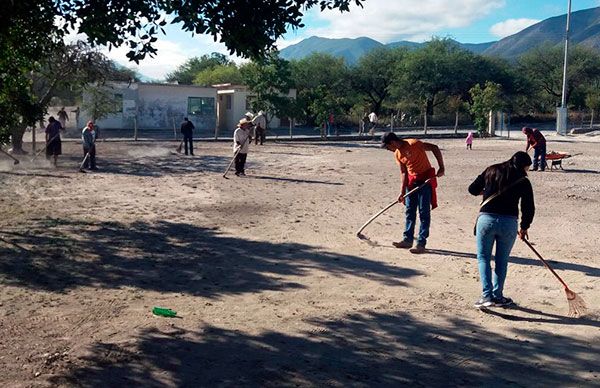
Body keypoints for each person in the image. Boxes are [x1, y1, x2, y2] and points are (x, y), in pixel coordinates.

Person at [468, 151, 535, 308]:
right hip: (509, 222)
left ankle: (486, 296)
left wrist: (485, 192)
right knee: (501, 261)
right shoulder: (524, 181)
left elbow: (472, 189)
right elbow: (529, 207)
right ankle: (498, 296)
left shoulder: (491, 170)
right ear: (523, 167)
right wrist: (524, 227)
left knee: (483, 258)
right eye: (527, 168)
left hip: (486, 220)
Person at [381, 132, 445, 254]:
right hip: (411, 182)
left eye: (388, 147)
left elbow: (434, 148)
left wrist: (441, 167)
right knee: (410, 211)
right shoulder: (397, 154)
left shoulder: (414, 144)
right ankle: (407, 239)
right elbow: (404, 172)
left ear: (392, 143)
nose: (388, 150)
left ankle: (421, 243)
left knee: (423, 212)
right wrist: (401, 192)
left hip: (425, 180)